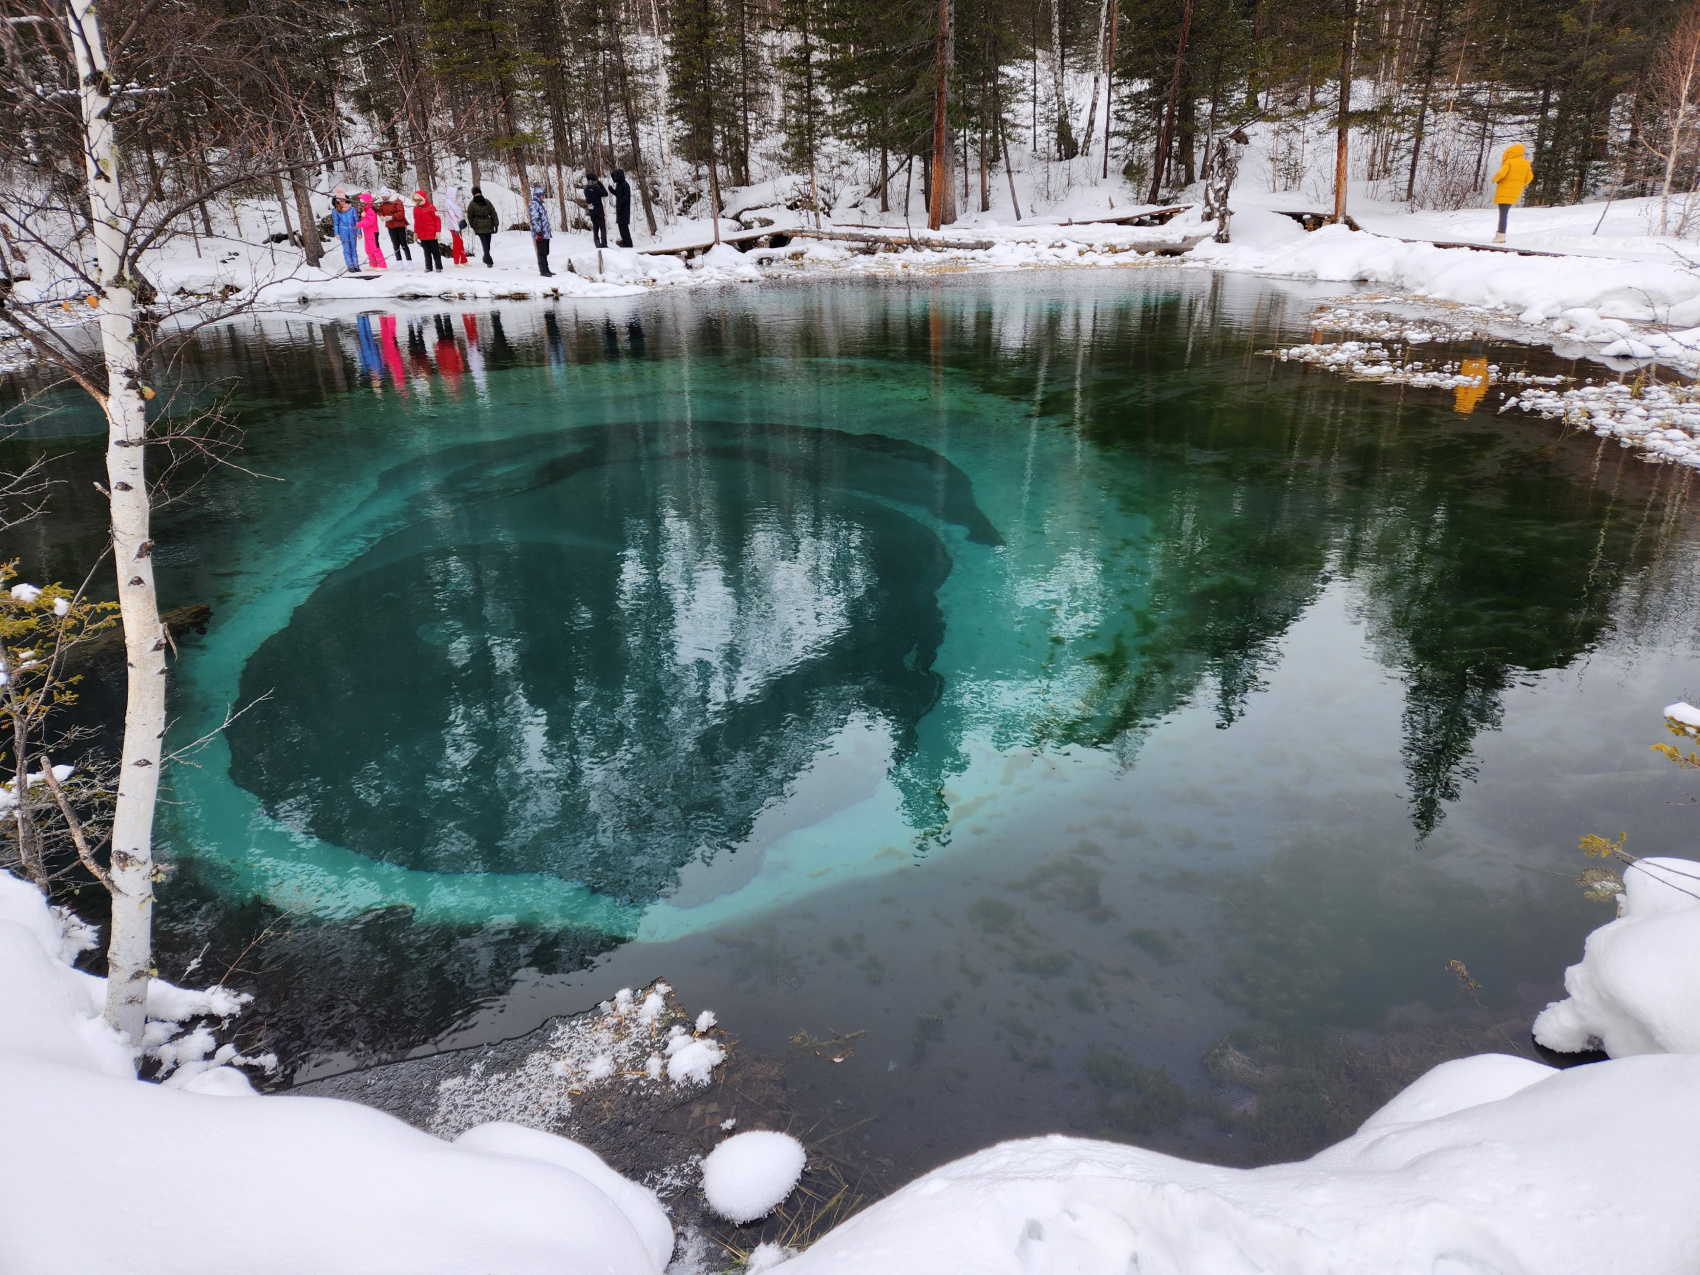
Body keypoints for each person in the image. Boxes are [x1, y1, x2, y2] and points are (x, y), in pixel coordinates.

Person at [1491, 144, 1534, 244]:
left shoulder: (1509, 162)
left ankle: (1501, 235)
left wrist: (1495, 179)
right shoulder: (1525, 164)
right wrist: (1520, 184)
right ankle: (1500, 235)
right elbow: (1530, 177)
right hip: (1515, 192)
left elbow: (1501, 173)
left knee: (1503, 214)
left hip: (1504, 191)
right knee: (1504, 213)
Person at [375, 188, 412, 265]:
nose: (384, 198)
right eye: (383, 197)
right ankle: (399, 262)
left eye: (385, 196)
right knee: (395, 245)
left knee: (403, 244)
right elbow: (380, 211)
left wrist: (392, 217)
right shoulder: (383, 203)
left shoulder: (397, 201)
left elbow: (401, 213)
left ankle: (409, 262)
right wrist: (381, 216)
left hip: (399, 225)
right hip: (390, 226)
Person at [465, 186, 499, 266]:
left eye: (479, 193)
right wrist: (473, 226)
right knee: (484, 244)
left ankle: (485, 257)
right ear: (473, 195)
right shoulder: (472, 204)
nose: (478, 195)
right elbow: (470, 216)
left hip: (488, 225)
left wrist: (496, 224)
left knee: (488, 243)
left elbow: (493, 213)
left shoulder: (487, 202)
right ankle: (489, 261)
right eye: (476, 194)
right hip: (479, 226)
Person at [412, 189, 444, 272]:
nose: (417, 202)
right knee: (426, 251)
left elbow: (437, 220)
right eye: (416, 200)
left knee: (435, 251)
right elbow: (416, 221)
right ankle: (428, 267)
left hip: (432, 233)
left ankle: (438, 267)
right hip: (422, 234)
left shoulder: (431, 207)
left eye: (419, 200)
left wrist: (437, 231)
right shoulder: (415, 209)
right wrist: (415, 232)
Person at [529, 184, 554, 276]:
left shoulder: (540, 204)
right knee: (541, 252)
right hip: (540, 233)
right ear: (538, 195)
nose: (543, 197)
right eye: (542, 195)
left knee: (546, 251)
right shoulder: (534, 204)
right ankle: (543, 271)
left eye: (543, 195)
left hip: (545, 232)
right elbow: (534, 219)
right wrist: (538, 231)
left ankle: (547, 269)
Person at [331, 194, 361, 271]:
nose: (342, 202)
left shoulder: (352, 209)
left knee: (353, 249)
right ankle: (350, 266)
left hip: (352, 230)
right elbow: (336, 223)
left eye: (343, 200)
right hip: (343, 231)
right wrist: (337, 233)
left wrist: (359, 232)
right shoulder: (336, 210)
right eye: (340, 200)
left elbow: (356, 221)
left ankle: (356, 266)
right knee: (347, 249)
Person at [357, 193, 387, 269]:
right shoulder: (365, 210)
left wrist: (360, 224)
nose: (361, 204)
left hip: (373, 233)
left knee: (375, 249)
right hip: (367, 233)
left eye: (362, 202)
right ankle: (373, 264)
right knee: (368, 250)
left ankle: (382, 265)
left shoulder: (371, 210)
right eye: (360, 202)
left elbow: (370, 221)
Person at [443, 185, 469, 266]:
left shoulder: (453, 202)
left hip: (457, 226)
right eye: (455, 194)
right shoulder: (448, 203)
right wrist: (456, 228)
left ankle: (463, 260)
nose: (456, 196)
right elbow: (451, 216)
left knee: (460, 242)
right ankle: (457, 261)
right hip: (454, 227)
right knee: (457, 243)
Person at [583, 172, 609, 249]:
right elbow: (605, 193)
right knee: (602, 227)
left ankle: (597, 243)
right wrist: (601, 185)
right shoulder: (595, 188)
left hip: (591, 211)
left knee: (595, 228)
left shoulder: (586, 189)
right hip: (599, 210)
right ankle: (604, 243)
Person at [610, 169, 633, 247]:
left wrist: (620, 202)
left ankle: (629, 243)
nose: (615, 178)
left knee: (624, 227)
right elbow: (618, 194)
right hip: (620, 209)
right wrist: (612, 190)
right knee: (620, 227)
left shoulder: (625, 185)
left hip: (624, 209)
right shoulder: (619, 184)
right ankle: (625, 242)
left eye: (615, 176)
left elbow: (626, 197)